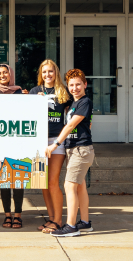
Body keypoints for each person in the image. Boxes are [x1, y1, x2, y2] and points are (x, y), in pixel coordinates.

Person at [46, 68, 94, 237]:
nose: (75, 88)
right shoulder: (74, 103)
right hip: (73, 149)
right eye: (71, 85)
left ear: (85, 85)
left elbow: (71, 125)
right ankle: (85, 223)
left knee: (69, 185)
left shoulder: (84, 102)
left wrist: (55, 144)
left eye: (78, 85)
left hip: (81, 149)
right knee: (80, 186)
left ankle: (71, 226)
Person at [29, 59, 72, 233]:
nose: (48, 75)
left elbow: (73, 116)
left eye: (51, 71)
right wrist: (34, 102)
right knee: (43, 183)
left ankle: (58, 221)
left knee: (53, 182)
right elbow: (26, 115)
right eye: (44, 72)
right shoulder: (34, 91)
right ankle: (51, 218)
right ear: (41, 74)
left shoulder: (64, 91)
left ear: (56, 73)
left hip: (56, 141)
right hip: (38, 142)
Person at [0, 64, 24, 229]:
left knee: (17, 178)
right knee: (4, 179)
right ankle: (7, 215)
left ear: (10, 74)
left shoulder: (20, 92)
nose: (3, 75)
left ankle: (18, 214)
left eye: (5, 72)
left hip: (17, 141)